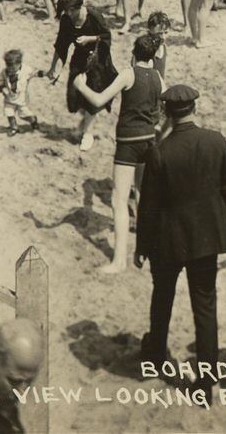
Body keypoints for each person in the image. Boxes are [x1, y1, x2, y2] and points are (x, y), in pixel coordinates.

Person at [136, 83, 226, 388]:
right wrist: (212, 217)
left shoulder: (160, 153)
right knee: (205, 306)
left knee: (162, 298)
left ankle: (155, 358)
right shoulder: (216, 141)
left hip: (168, 240)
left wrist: (141, 245)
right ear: (195, 108)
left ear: (166, 113)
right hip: (207, 239)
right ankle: (206, 383)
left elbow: (148, 206)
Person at [76, 34, 165, 273]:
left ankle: (119, 261)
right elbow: (166, 106)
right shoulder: (158, 76)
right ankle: (145, 251)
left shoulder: (129, 73)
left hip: (128, 142)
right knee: (143, 196)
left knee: (119, 200)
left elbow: (99, 98)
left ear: (134, 53)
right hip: (149, 140)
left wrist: (80, 86)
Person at [46, 0, 113, 149]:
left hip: (99, 61)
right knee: (74, 97)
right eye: (66, 11)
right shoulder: (66, 20)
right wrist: (54, 69)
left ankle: (87, 133)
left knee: (92, 98)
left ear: (79, 7)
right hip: (79, 60)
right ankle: (84, 125)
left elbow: (106, 37)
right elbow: (61, 45)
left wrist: (90, 39)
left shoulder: (93, 15)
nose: (68, 14)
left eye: (71, 10)